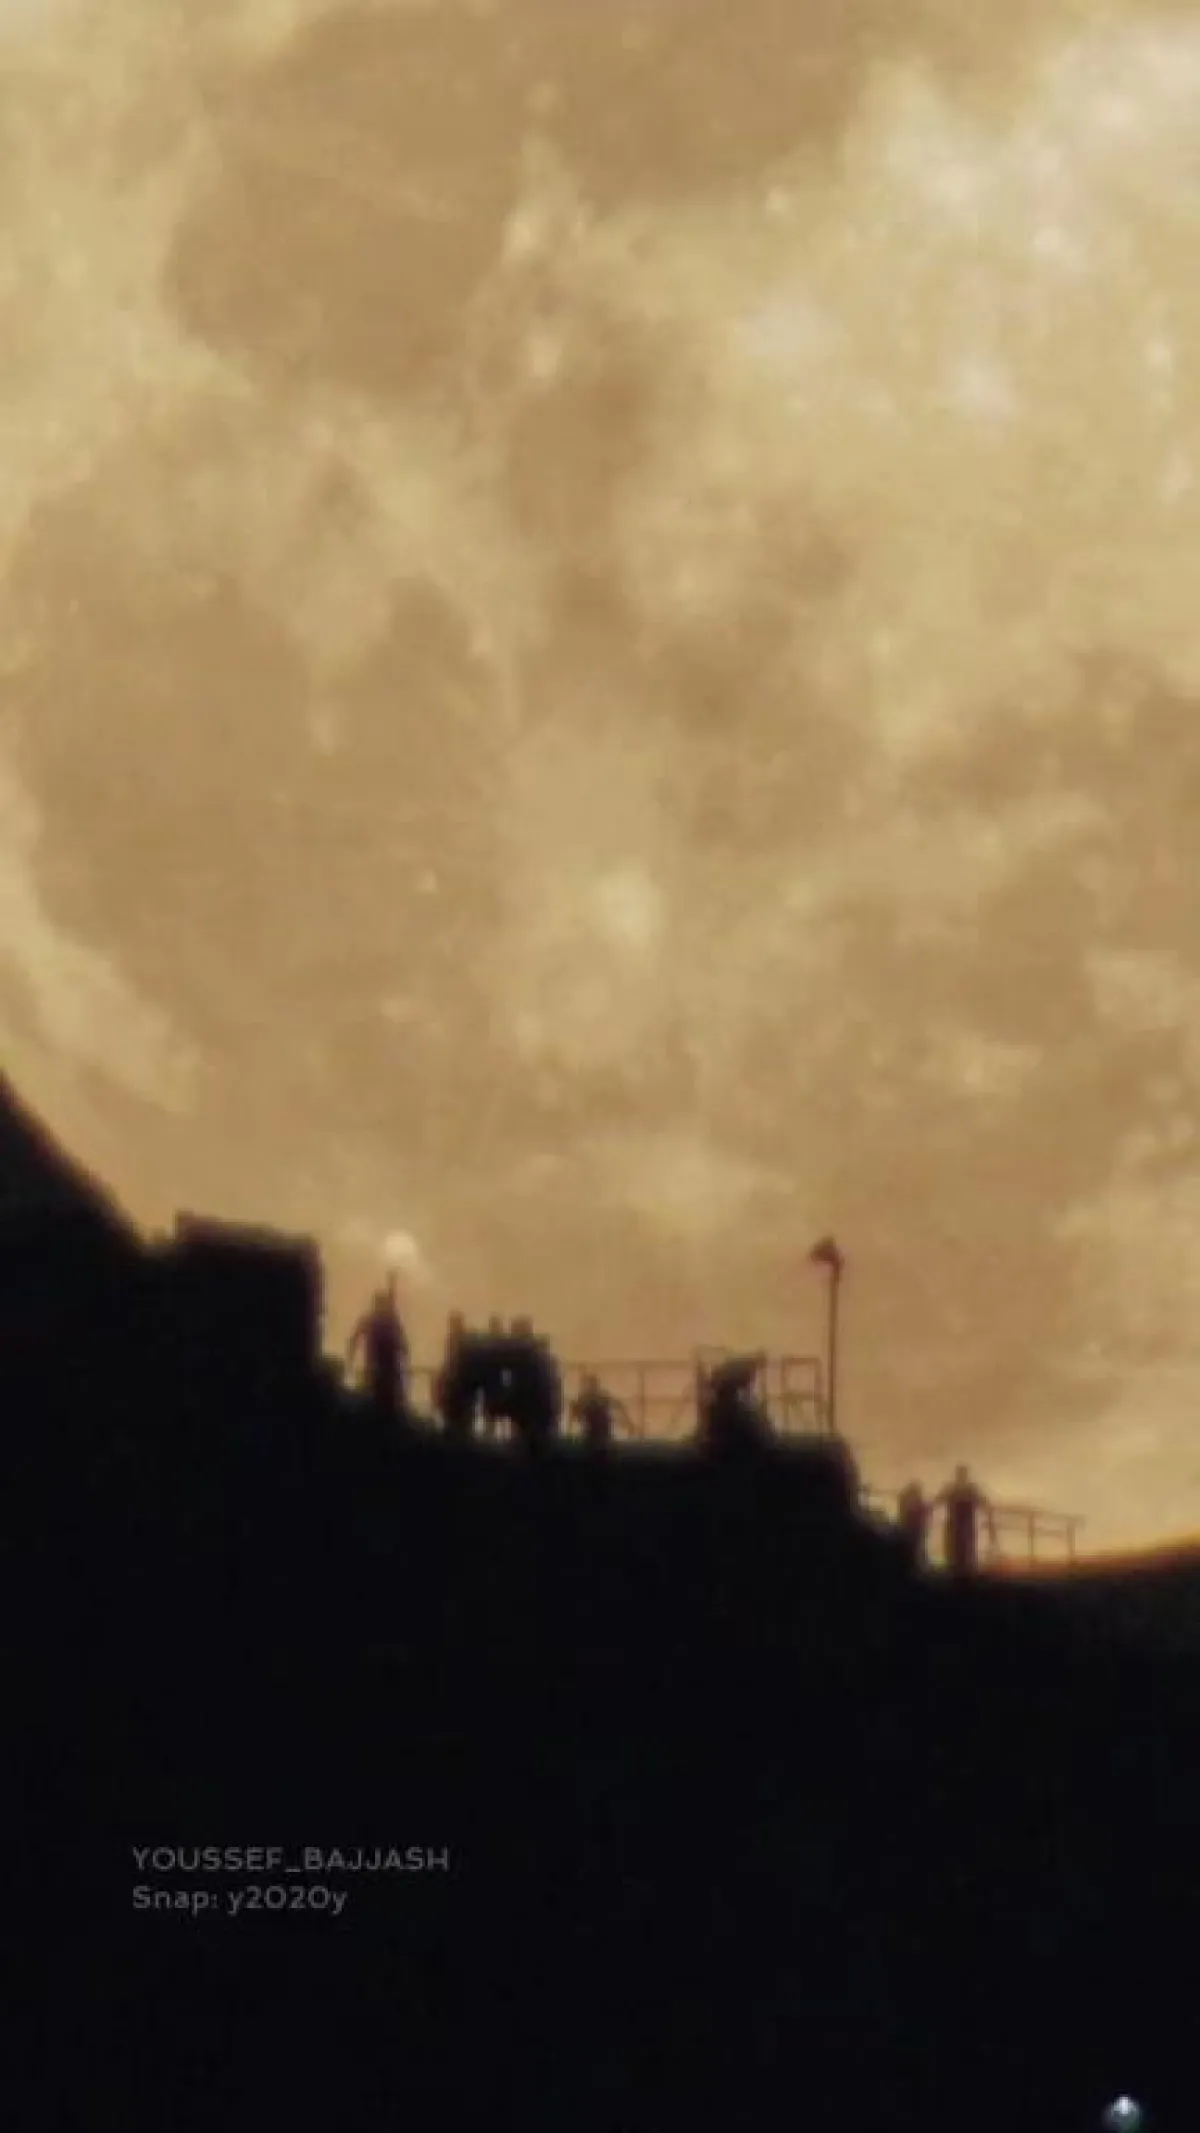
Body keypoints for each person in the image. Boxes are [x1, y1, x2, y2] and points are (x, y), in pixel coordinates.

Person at [345, 1274, 409, 1420]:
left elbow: (403, 1346)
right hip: (381, 1375)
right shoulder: (384, 1321)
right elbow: (403, 1347)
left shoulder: (383, 1320)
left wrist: (349, 1362)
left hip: (385, 1376)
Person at [929, 1464, 997, 1575]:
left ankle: (957, 1573)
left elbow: (936, 1501)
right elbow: (985, 1504)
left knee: (957, 1556)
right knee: (964, 1556)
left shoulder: (954, 1489)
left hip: (958, 1528)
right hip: (963, 1528)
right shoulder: (969, 1490)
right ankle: (964, 1573)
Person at [699, 1351, 771, 1455]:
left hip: (724, 1391)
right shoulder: (746, 1368)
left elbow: (745, 1389)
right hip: (725, 1391)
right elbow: (745, 1388)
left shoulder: (742, 1365)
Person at [434, 1311, 477, 1443]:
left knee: (455, 1428)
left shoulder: (456, 1341)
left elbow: (450, 1362)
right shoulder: (464, 1342)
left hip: (456, 1392)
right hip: (459, 1393)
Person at [571, 1371, 621, 1453]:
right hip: (597, 1438)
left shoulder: (588, 1399)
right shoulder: (592, 1398)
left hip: (597, 1437)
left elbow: (575, 1416)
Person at [896, 1480, 931, 1567]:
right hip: (913, 1533)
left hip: (914, 1534)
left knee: (917, 1550)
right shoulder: (913, 1504)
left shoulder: (913, 1503)